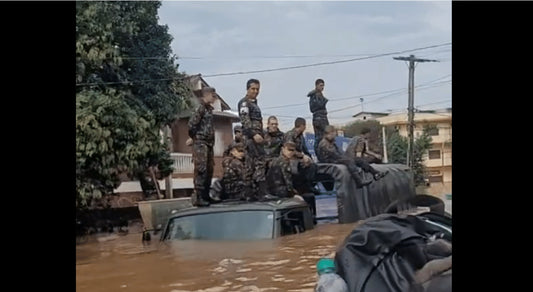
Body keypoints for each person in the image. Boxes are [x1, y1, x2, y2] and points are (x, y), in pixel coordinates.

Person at [237, 78, 268, 201]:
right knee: (254, 164)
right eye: (253, 89)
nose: (255, 91)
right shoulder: (244, 103)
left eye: (257, 89)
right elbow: (245, 121)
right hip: (251, 138)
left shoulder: (254, 103)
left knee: (256, 164)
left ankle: (254, 193)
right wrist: (254, 134)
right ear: (247, 89)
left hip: (258, 138)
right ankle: (257, 193)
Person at [187, 86, 216, 207]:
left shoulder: (209, 109)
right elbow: (192, 124)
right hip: (201, 143)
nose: (214, 98)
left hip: (209, 143)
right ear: (207, 95)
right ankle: (199, 197)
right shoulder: (200, 107)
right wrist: (195, 138)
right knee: (201, 169)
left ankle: (205, 195)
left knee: (209, 170)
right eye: (213, 95)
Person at [283, 117, 318, 195]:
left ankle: (308, 186)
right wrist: (302, 156)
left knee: (312, 166)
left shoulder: (301, 136)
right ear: (302, 126)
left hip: (298, 158)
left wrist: (309, 158)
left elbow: (305, 149)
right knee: (296, 166)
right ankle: (297, 188)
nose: (305, 128)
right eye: (304, 126)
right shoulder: (290, 134)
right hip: (289, 158)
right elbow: (290, 150)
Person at [308, 79, 329, 154]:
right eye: (321, 85)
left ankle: (324, 153)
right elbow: (313, 108)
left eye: (323, 85)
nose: (322, 87)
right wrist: (324, 101)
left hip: (323, 117)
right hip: (318, 118)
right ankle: (318, 153)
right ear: (316, 85)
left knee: (325, 136)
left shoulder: (320, 94)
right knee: (319, 138)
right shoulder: (315, 95)